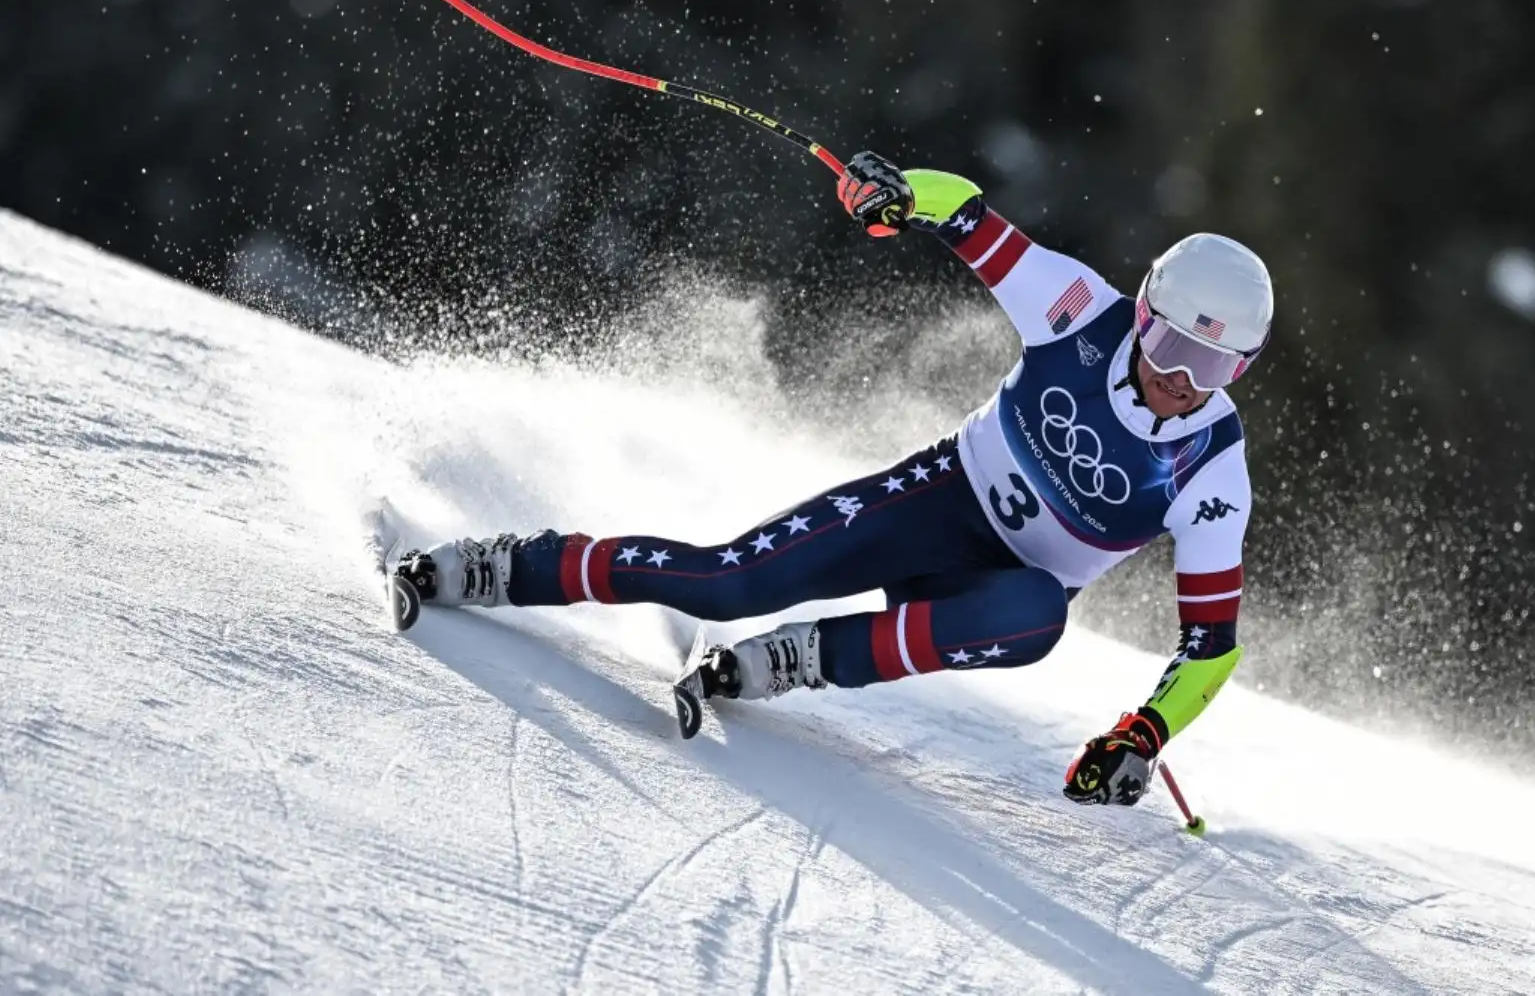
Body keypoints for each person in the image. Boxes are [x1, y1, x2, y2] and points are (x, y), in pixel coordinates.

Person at [396, 153, 1272, 808]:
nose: (1182, 381)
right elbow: (966, 217)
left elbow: (1211, 645)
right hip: (935, 504)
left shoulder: (1213, 469)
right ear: (1144, 313)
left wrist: (1142, 735)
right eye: (1170, 347)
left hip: (988, 589)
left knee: (1039, 615)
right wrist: (896, 191)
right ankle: (511, 564)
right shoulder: (1078, 307)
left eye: (1215, 366)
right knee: (727, 582)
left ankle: (799, 662)